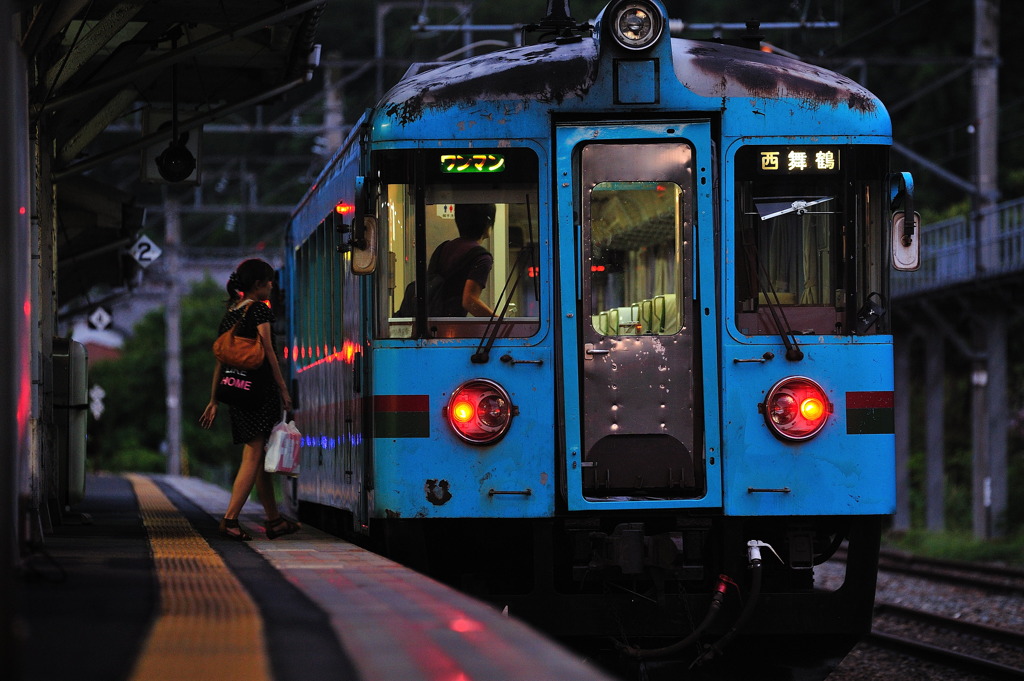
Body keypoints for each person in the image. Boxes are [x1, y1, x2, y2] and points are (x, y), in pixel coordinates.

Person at [200, 258, 298, 541]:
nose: (271, 286)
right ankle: (230, 519)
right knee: (254, 454)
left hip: (235, 391)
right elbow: (269, 352)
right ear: (258, 285)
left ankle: (274, 520)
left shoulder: (231, 313)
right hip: (258, 393)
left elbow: (221, 358)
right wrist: (283, 390)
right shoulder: (259, 312)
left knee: (256, 456)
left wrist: (214, 399)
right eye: (269, 282)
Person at [432, 203, 496, 317]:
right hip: (452, 326)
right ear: (488, 223)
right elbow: (469, 301)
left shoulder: (443, 248)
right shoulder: (482, 257)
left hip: (430, 323)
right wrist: (500, 324)